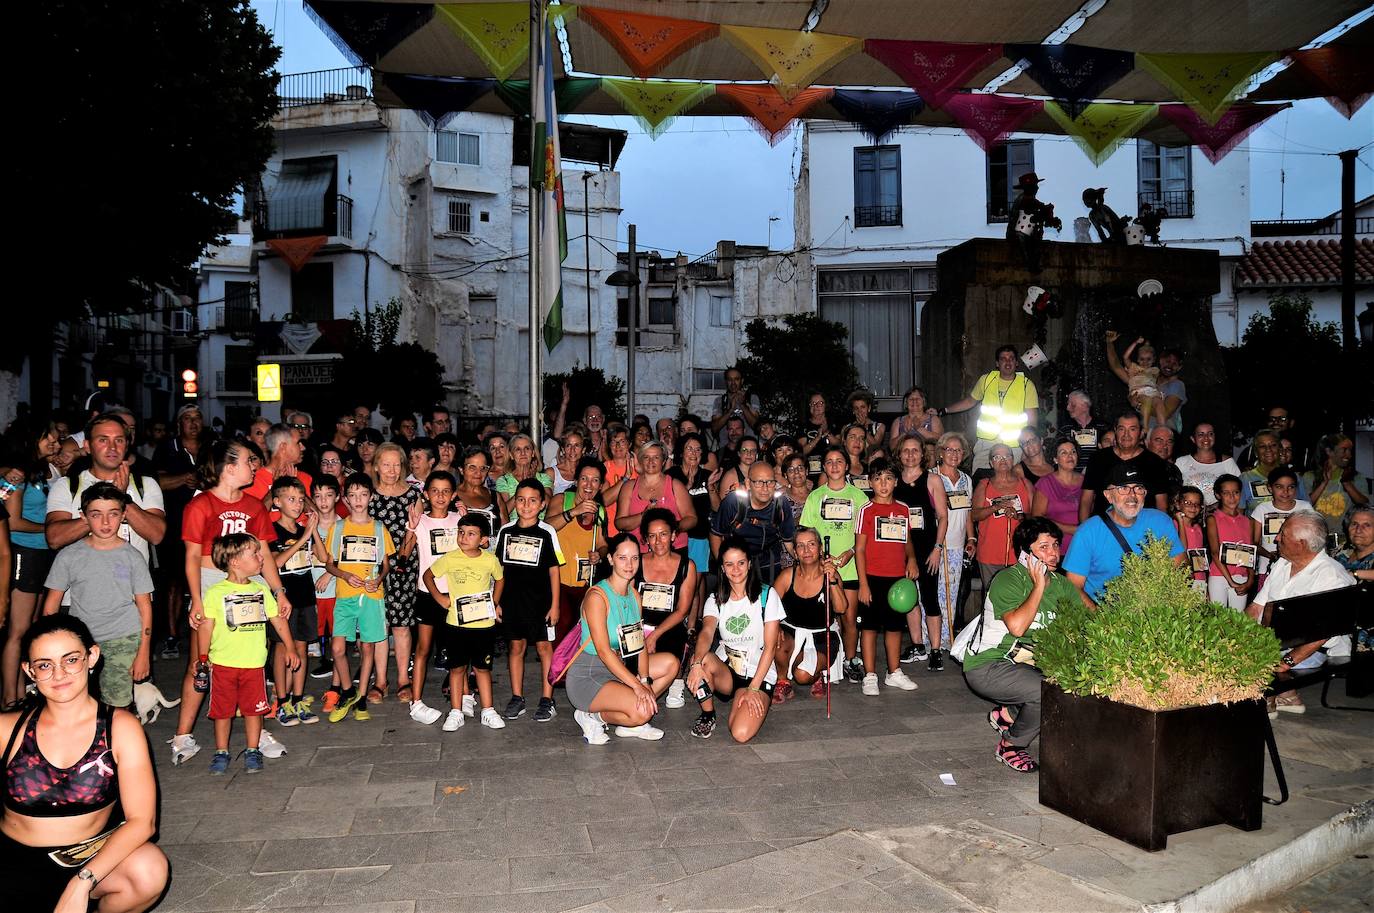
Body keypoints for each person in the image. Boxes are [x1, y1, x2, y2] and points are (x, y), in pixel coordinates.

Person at [0, 615, 168, 912]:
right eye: (44, 665)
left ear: (91, 657)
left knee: (148, 869)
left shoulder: (121, 728)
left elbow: (143, 822)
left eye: (71, 659)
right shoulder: (7, 729)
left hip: (88, 861)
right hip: (13, 865)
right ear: (29, 671)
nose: (59, 674)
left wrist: (84, 880)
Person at [169, 440, 290, 766]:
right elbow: (192, 556)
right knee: (202, 661)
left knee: (252, 656)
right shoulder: (200, 506)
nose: (254, 467)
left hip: (249, 585)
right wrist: (196, 601)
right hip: (211, 583)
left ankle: (257, 730)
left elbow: (264, 554)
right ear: (228, 467)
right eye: (249, 461)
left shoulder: (254, 506)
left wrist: (278, 592)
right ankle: (182, 735)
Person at [962, 517, 1078, 774]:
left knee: (1070, 679)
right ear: (1026, 554)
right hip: (989, 665)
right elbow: (1017, 628)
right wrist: (1038, 587)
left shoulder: (1060, 584)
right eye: (1044, 547)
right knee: (1047, 693)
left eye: (1056, 545)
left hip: (1026, 663)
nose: (1053, 553)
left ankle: (1010, 714)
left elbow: (1085, 620)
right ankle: (1011, 746)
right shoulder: (1008, 579)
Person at [41, 484, 153, 711]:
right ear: (83, 517)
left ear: (123, 516)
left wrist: (144, 652)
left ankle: (115, 744)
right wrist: (49, 646)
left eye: (112, 514)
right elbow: (50, 606)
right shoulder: (69, 556)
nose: (105, 522)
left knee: (118, 703)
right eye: (96, 514)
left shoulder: (133, 557)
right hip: (79, 641)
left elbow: (145, 607)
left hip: (123, 638)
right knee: (77, 700)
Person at [198, 533, 301, 774]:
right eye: (254, 554)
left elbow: (277, 620)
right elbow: (206, 626)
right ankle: (221, 750)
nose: (260, 557)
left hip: (254, 663)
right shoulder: (215, 592)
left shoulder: (261, 589)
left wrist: (290, 647)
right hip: (223, 662)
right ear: (234, 561)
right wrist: (202, 658)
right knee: (222, 711)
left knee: (255, 709)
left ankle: (253, 749)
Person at [565, 534, 678, 745]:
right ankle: (591, 716)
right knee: (643, 712)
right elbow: (604, 651)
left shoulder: (634, 596)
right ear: (610, 559)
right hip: (588, 675)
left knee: (671, 663)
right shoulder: (597, 597)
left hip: (618, 669)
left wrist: (644, 681)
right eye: (622, 557)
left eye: (635, 558)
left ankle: (630, 720)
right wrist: (637, 686)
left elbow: (639, 644)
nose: (629, 564)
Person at [1246, 510, 1357, 715]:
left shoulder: (1331, 577)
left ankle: (1269, 697)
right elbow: (1256, 607)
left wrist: (1287, 661)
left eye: (1283, 535)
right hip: (1278, 641)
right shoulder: (1282, 563)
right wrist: (1236, 635)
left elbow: (1324, 632)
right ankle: (1287, 696)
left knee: (1253, 659)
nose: (1277, 538)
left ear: (1301, 544)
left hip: (1314, 650)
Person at [686, 537, 783, 743]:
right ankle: (708, 714)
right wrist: (695, 664)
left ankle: (747, 697)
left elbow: (770, 648)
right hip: (727, 669)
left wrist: (753, 688)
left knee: (740, 733)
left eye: (741, 563)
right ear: (722, 567)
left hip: (758, 670)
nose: (736, 569)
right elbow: (707, 632)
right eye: (729, 564)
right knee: (701, 659)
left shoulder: (767, 595)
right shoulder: (716, 598)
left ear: (749, 563)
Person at [45, 412, 166, 565]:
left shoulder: (145, 484)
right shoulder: (67, 486)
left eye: (119, 440)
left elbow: (156, 535)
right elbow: (55, 539)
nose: (112, 447)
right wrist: (107, 503)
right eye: (103, 440)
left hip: (131, 585)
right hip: (81, 586)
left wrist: (123, 499)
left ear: (127, 445)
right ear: (87, 446)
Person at [422, 513, 506, 732]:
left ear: (483, 540)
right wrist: (440, 598)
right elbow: (428, 576)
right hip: (455, 625)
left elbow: (500, 579)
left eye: (471, 534)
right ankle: (456, 711)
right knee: (456, 669)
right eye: (461, 533)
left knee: (482, 669)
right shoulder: (450, 558)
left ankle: (488, 711)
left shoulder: (490, 560)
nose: (464, 538)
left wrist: (494, 602)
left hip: (483, 626)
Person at [322, 473, 394, 723]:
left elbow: (385, 564)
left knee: (367, 647)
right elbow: (329, 564)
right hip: (345, 596)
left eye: (363, 494)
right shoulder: (339, 528)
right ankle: (347, 690)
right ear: (346, 499)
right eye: (352, 495)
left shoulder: (378, 528)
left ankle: (362, 697)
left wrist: (379, 579)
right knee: (338, 648)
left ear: (371, 497)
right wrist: (344, 574)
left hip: (372, 597)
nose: (358, 500)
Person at [1063, 464, 1184, 605]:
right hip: (1104, 612)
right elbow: (1073, 586)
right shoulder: (1088, 532)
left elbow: (1181, 568)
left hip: (1153, 611)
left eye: (1138, 488)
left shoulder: (1160, 522)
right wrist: (1100, 619)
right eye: (1123, 488)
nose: (1132, 495)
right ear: (1108, 495)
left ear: (1145, 493)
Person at [494, 480, 564, 723]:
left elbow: (555, 570)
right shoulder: (506, 531)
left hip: (541, 603)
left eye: (533, 500)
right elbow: (498, 569)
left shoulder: (547, 532)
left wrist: (555, 605)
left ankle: (547, 699)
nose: (526, 505)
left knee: (545, 648)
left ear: (542, 504)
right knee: (516, 647)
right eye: (521, 499)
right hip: (512, 602)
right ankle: (517, 697)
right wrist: (496, 601)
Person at [800, 446, 869, 682]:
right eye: (829, 462)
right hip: (821, 567)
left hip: (849, 567)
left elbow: (865, 534)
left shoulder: (859, 497)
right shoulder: (815, 496)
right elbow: (806, 531)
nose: (835, 466)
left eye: (839, 461)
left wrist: (850, 552)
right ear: (824, 467)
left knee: (849, 618)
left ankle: (850, 660)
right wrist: (818, 557)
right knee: (824, 618)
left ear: (847, 465)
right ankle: (822, 661)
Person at [2, 426, 60, 708]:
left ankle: (23, 691)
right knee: (18, 630)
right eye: (47, 436)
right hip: (23, 550)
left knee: (33, 627)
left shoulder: (43, 470)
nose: (54, 441)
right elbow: (12, 521)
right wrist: (50, 530)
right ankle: (10, 698)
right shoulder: (17, 474)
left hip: (42, 553)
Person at [854, 459, 922, 695]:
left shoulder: (903, 509)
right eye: (878, 478)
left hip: (897, 581)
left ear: (896, 482)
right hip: (872, 578)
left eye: (888, 478)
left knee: (894, 627)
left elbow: (907, 542)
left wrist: (912, 559)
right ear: (870, 482)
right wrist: (863, 584)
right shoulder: (866, 510)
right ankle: (870, 674)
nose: (883, 484)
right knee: (870, 628)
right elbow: (859, 549)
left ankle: (894, 672)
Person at [265, 477, 320, 725]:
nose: (297, 505)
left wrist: (312, 531)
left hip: (306, 594)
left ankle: (298, 699)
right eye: (291, 499)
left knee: (302, 647)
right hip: (284, 597)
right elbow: (274, 562)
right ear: (277, 502)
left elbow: (322, 556)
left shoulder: (303, 529)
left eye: (300, 500)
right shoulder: (272, 530)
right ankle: (282, 700)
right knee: (281, 648)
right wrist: (302, 538)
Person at [407, 470, 459, 725]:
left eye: (446, 491)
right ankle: (416, 702)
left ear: (453, 495)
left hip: (456, 593)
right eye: (435, 491)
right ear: (426, 494)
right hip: (428, 593)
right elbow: (404, 555)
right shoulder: (421, 522)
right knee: (423, 649)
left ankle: (463, 697)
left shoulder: (460, 519)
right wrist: (411, 526)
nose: (440, 496)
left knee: (458, 647)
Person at [369, 443, 420, 704]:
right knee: (379, 626)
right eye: (386, 464)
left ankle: (402, 679)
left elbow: (414, 531)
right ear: (377, 466)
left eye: (396, 464)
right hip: (372, 567)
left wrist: (400, 559)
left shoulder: (413, 495)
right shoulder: (368, 496)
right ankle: (380, 681)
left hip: (403, 565)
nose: (391, 470)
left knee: (401, 625)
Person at [152, 404, 203, 660]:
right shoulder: (166, 449)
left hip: (206, 525)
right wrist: (184, 478)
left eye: (197, 418)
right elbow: (155, 481)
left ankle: (205, 633)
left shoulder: (211, 446)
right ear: (179, 424)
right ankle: (172, 636)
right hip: (175, 525)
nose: (193, 423)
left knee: (207, 579)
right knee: (174, 581)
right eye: (187, 419)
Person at [770, 528, 846, 702]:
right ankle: (783, 680)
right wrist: (774, 627)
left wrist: (832, 580)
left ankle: (817, 674)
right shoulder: (787, 575)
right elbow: (769, 607)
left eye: (811, 544)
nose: (806, 550)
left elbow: (841, 608)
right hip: (791, 633)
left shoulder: (831, 576)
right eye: (801, 546)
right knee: (773, 635)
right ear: (795, 552)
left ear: (820, 549)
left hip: (823, 636)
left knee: (802, 676)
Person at [892, 435, 949, 664]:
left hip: (927, 549)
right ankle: (917, 646)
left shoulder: (932, 479)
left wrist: (937, 548)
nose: (910, 455)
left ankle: (935, 650)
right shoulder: (894, 480)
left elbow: (943, 517)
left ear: (922, 454)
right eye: (906, 450)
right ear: (900, 454)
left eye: (915, 450)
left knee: (930, 598)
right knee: (909, 598)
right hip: (902, 549)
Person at [634, 509, 699, 711]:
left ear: (673, 536)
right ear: (645, 539)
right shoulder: (637, 562)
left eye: (663, 534)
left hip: (669, 625)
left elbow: (682, 610)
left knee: (674, 640)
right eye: (652, 536)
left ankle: (675, 680)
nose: (658, 541)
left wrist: (654, 636)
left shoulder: (686, 566)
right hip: (639, 624)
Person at [939, 345, 1039, 469]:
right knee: (981, 479)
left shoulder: (1026, 385)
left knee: (1011, 484)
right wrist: (945, 410)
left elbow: (1032, 421)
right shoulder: (986, 380)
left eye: (1011, 358)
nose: (1007, 362)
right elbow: (970, 401)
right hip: (986, 444)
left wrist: (1028, 448)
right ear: (997, 363)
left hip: (1015, 446)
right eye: (1003, 359)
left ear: (1016, 363)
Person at [547, 457, 609, 645]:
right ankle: (556, 673)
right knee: (561, 625)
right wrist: (573, 511)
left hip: (583, 583)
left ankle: (570, 672)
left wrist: (600, 554)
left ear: (600, 485)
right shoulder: (562, 500)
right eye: (584, 478)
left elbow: (602, 543)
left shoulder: (599, 510)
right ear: (576, 481)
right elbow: (547, 527)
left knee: (578, 630)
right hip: (558, 580)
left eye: (595, 480)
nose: (589, 485)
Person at [712, 461, 796, 585]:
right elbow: (716, 535)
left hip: (770, 561)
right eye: (758, 482)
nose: (765, 488)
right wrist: (723, 565)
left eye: (770, 482)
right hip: (738, 562)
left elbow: (789, 542)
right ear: (748, 483)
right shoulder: (733, 503)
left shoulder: (781, 504)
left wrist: (805, 561)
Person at [1079, 411, 1171, 521]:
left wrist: (1159, 534)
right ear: (1115, 431)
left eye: (1132, 429)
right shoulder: (1098, 458)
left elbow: (1162, 505)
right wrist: (1084, 530)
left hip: (1143, 530)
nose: (1126, 434)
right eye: (1121, 429)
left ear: (1141, 433)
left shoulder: (1155, 462)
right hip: (1104, 528)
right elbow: (1086, 501)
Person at [934, 432, 976, 656]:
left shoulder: (966, 479)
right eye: (949, 449)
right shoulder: (932, 477)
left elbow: (968, 512)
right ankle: (931, 640)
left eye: (958, 450)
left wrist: (971, 538)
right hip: (936, 545)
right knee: (934, 595)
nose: (954, 454)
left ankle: (946, 638)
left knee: (951, 594)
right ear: (940, 452)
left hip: (958, 545)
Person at [971, 444, 1033, 595]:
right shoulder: (984, 484)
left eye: (1007, 456)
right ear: (991, 463)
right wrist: (995, 508)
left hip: (1019, 553)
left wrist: (1019, 516)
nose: (1002, 460)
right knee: (992, 597)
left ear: (1013, 460)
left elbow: (1035, 515)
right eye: (997, 457)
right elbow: (974, 515)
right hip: (989, 553)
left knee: (1019, 596)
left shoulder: (1025, 484)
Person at [616, 442, 696, 551]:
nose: (650, 461)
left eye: (656, 457)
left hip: (674, 549)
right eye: (646, 457)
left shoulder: (675, 485)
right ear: (640, 460)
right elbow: (619, 523)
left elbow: (692, 519)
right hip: (639, 551)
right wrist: (643, 515)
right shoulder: (629, 487)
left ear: (663, 461)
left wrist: (670, 528)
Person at [1303, 433, 1369, 547]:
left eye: (1350, 450)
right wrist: (1324, 483)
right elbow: (1304, 505)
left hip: (1345, 540)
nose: (1349, 455)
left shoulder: (1356, 477)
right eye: (1344, 450)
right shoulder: (1310, 477)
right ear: (1329, 451)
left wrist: (1347, 484)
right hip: (1315, 539)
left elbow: (1365, 506)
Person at [1250, 468, 1311, 588]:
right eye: (1279, 487)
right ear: (1270, 488)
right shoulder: (1262, 509)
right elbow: (1254, 542)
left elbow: (1311, 537)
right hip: (1268, 568)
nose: (1286, 492)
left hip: (1299, 567)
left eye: (1291, 487)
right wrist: (1270, 555)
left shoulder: (1305, 507)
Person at [1205, 475, 1258, 611]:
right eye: (1226, 493)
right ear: (1218, 495)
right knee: (1218, 618)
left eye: (1236, 492)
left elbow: (1251, 552)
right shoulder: (1213, 519)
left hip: (1241, 576)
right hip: (1219, 575)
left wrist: (1250, 579)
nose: (1232, 497)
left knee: (1238, 619)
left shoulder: (1248, 521)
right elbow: (1215, 552)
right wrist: (1230, 581)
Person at [668, 432, 713, 579]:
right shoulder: (670, 475)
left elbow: (717, 507)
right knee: (678, 582)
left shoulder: (708, 475)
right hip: (677, 535)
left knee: (695, 584)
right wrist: (686, 488)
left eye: (698, 449)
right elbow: (667, 504)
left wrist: (712, 488)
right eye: (689, 448)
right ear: (681, 451)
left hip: (700, 536)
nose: (693, 453)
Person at [243, 423, 312, 508]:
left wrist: (295, 484)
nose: (303, 448)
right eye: (298, 443)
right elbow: (254, 517)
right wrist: (275, 488)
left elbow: (317, 515)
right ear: (283, 447)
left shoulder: (305, 478)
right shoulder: (252, 482)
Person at [1032, 439, 1082, 554]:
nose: (1070, 456)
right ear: (1055, 459)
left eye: (1073, 452)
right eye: (1064, 453)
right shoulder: (1046, 483)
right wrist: (1069, 529)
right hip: (1056, 547)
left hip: (1083, 545)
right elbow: (1037, 518)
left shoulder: (1086, 481)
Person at [1105, 332, 1165, 427]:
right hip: (1140, 394)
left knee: (1158, 403)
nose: (1145, 362)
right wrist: (1110, 343)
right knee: (1147, 401)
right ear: (1137, 359)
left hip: (1153, 394)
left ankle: (1163, 428)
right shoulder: (1135, 371)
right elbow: (1117, 363)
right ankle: (1145, 428)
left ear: (1154, 359)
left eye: (1148, 359)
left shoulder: (1156, 371)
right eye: (1142, 359)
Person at [1175, 423, 1241, 507]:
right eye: (1201, 434)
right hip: (1190, 513)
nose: (1206, 438)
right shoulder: (1182, 462)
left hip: (1218, 515)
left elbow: (1239, 490)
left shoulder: (1227, 462)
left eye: (1210, 434)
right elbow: (1174, 492)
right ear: (1193, 439)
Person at [1061, 390, 1108, 473]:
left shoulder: (1103, 427)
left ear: (1085, 406)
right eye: (1068, 404)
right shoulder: (1065, 429)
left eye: (1072, 405)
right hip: (1072, 478)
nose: (1068, 408)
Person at [496, 433, 552, 500]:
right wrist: (523, 485)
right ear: (511, 455)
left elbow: (549, 505)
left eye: (527, 448)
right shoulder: (504, 480)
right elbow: (505, 509)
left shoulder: (543, 478)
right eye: (518, 449)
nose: (523, 453)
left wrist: (534, 482)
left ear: (533, 453)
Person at [1174, 486, 1208, 594]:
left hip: (1199, 578)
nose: (1193, 507)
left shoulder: (1198, 528)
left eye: (1197, 504)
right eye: (1187, 502)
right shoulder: (1172, 525)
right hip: (1182, 579)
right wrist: (1180, 522)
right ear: (1178, 504)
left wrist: (1204, 582)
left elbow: (1200, 556)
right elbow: (1181, 549)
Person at [710, 367, 761, 437]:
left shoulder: (752, 398)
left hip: (747, 446)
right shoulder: (719, 400)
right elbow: (714, 428)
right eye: (730, 379)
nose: (733, 383)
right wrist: (730, 410)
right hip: (726, 446)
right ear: (726, 382)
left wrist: (743, 405)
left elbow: (757, 426)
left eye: (736, 379)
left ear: (742, 381)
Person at [888, 386, 943, 450]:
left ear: (924, 401)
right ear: (906, 402)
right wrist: (905, 432)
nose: (914, 401)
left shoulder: (933, 419)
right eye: (911, 399)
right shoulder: (898, 421)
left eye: (918, 399)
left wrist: (919, 428)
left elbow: (941, 442)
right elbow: (892, 447)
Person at [1145, 425, 1184, 501]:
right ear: (1147, 443)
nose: (1165, 446)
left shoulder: (1174, 470)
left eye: (1169, 442)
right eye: (1159, 441)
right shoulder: (1137, 466)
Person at [1336, 506, 1374, 582]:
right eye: (1354, 524)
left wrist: (1354, 574)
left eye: (1367, 525)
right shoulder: (1343, 548)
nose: (1358, 530)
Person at [847, 390, 885, 457]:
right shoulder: (848, 428)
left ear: (869, 408)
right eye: (856, 408)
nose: (860, 411)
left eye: (863, 407)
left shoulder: (879, 426)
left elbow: (875, 446)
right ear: (853, 411)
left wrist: (861, 427)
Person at [550, 427, 587, 496]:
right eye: (568, 445)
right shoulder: (552, 473)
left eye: (577, 445)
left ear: (583, 450)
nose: (572, 450)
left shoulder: (588, 472)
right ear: (563, 450)